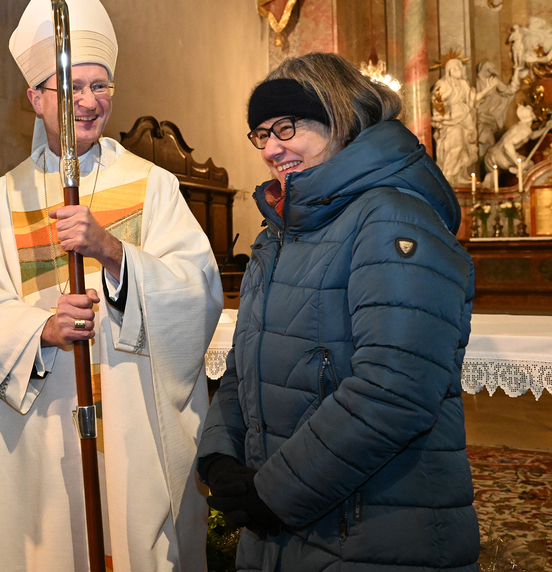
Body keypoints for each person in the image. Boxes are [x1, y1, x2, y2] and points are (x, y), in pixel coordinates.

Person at [0, 0, 223, 571]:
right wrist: (41, 329)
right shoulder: (0, 200)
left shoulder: (153, 186)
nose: (89, 102)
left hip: (129, 420)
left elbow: (197, 292)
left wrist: (111, 252)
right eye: (71, 87)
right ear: (35, 97)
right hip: (34, 429)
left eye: (100, 86)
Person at [197, 52, 479, 571]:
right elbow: (245, 366)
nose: (272, 148)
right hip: (282, 530)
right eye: (261, 134)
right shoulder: (279, 232)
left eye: (288, 127)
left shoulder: (393, 216)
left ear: (340, 117)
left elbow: (395, 390)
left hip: (373, 531)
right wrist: (220, 457)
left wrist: (273, 494)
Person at [431, 58, 477, 186]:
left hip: (464, 118)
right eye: (456, 68)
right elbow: (436, 101)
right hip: (450, 120)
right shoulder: (443, 84)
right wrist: (447, 95)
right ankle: (447, 175)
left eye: (460, 68)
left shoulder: (464, 84)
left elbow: (471, 102)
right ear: (449, 71)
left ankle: (458, 175)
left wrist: (485, 91)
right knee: (456, 146)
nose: (459, 71)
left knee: (465, 148)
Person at [484, 103, 545, 185]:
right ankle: (526, 188)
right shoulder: (525, 130)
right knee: (529, 165)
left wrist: (546, 128)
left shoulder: (519, 126)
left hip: (492, 155)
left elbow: (532, 136)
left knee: (492, 181)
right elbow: (507, 145)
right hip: (500, 156)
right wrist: (517, 162)